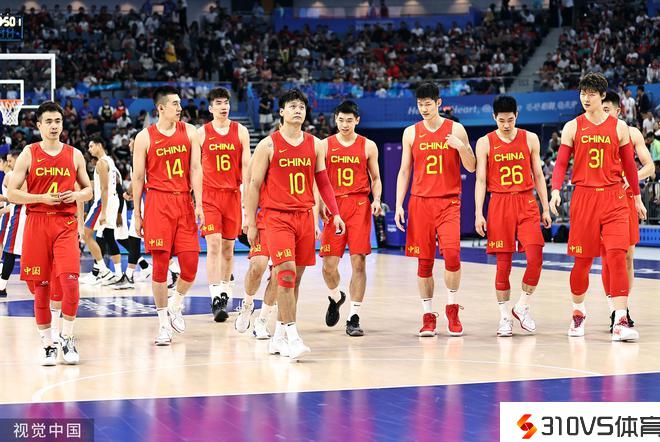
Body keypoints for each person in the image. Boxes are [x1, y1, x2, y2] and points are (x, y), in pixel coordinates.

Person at [245, 89, 345, 360]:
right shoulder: (268, 145)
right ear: (281, 112)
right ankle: (292, 334)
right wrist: (250, 221)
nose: (298, 110)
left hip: (304, 216)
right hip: (277, 217)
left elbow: (323, 182)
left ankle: (278, 335)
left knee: (295, 279)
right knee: (286, 273)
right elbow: (254, 185)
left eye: (301, 107)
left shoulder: (315, 144)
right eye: (292, 106)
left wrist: (335, 213)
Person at [549, 73, 646, 341]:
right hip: (584, 197)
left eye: (591, 94)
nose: (586, 98)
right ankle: (578, 313)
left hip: (614, 198)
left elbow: (630, 167)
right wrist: (555, 190)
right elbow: (561, 163)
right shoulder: (572, 127)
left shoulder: (619, 127)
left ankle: (620, 319)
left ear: (602, 96)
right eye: (583, 93)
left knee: (617, 256)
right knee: (582, 262)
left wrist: (637, 198)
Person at [8, 100, 93, 365]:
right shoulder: (29, 153)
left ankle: (67, 337)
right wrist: (41, 198)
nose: (54, 126)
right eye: (49, 122)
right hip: (37, 223)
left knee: (70, 283)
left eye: (58, 121)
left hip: (65, 224)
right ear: (39, 125)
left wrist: (76, 195)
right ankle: (47, 344)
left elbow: (88, 190)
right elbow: (12, 193)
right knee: (41, 288)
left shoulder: (74, 154)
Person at [394, 82, 476, 337]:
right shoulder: (410, 132)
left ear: (439, 103)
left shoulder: (456, 129)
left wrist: (461, 147)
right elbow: (404, 171)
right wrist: (398, 204)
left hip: (448, 201)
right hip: (420, 203)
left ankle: (452, 308)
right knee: (424, 262)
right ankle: (428, 316)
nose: (424, 108)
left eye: (428, 104)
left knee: (452, 255)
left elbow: (472, 166)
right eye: (420, 104)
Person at [474, 95, 552, 337]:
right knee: (503, 264)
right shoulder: (485, 142)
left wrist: (545, 207)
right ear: (494, 118)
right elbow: (480, 180)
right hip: (499, 203)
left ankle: (522, 306)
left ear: (517, 116)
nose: (506, 125)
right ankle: (504, 317)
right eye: (501, 121)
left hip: (526, 201)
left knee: (535, 256)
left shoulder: (530, 138)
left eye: (510, 120)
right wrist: (478, 213)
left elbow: (538, 175)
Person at [132, 86, 204, 346]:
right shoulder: (144, 137)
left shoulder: (190, 132)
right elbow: (138, 177)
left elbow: (196, 168)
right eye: (175, 104)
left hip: (183, 201)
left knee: (191, 266)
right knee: (160, 266)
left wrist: (199, 203)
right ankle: (163, 324)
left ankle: (176, 303)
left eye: (180, 103)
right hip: (157, 202)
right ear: (160, 108)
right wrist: (137, 214)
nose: (180, 108)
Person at [319, 100, 382, 336]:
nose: (345, 124)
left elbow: (376, 178)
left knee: (359, 262)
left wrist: (376, 199)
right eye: (341, 120)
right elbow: (318, 179)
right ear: (335, 120)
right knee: (328, 266)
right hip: (334, 207)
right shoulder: (324, 145)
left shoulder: (368, 146)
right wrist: (319, 204)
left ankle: (354, 316)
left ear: (357, 120)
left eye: (349, 120)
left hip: (359, 205)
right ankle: (336, 297)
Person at [598, 91, 654, 332]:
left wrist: (632, 182)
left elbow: (649, 167)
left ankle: (624, 307)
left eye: (607, 110)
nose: (603, 114)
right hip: (602, 199)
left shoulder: (631, 133)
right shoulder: (592, 133)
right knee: (608, 257)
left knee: (628, 257)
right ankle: (615, 309)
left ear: (617, 111)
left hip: (627, 199)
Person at [197, 87, 251, 323]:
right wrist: (196, 201)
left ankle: (225, 293)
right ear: (211, 108)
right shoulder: (201, 133)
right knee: (214, 244)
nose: (223, 106)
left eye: (226, 102)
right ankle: (215, 297)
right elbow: (194, 169)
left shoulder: (241, 131)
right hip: (209, 196)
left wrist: (248, 200)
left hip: (233, 195)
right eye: (218, 103)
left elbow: (247, 167)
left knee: (229, 249)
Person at [80, 136, 124, 286]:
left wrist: (103, 212)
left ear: (99, 145)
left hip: (103, 202)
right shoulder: (109, 160)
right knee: (109, 237)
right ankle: (117, 274)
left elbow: (104, 189)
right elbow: (104, 184)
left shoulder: (101, 163)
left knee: (86, 233)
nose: (89, 149)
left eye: (91, 146)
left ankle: (103, 270)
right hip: (112, 200)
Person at [0, 150, 27, 298]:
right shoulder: (18, 175)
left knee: (9, 251)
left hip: (19, 216)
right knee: (11, 251)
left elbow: (15, 199)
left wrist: (3, 204)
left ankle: (1, 287)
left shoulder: (15, 176)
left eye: (10, 161)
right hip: (19, 214)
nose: (9, 164)